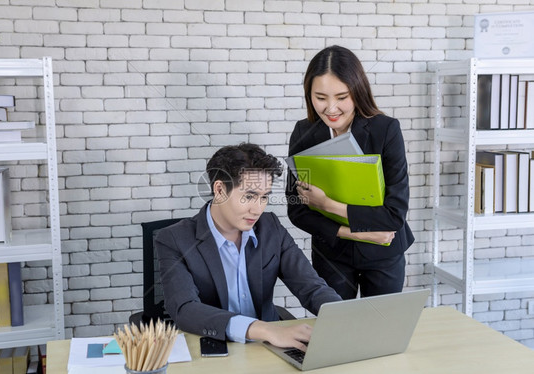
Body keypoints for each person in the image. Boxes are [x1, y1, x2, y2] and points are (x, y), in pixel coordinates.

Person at [156, 143, 341, 351]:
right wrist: (265, 330)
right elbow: (185, 309)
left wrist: (343, 316)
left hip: (269, 347)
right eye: (249, 196)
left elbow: (311, 286)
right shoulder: (174, 239)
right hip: (216, 347)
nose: (258, 209)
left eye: (264, 197)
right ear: (219, 190)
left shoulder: (271, 227)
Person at [286, 45, 414, 300]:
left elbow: (393, 216)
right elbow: (297, 210)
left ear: (358, 92)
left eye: (341, 97)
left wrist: (326, 204)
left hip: (384, 254)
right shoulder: (304, 133)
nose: (331, 108)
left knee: (381, 329)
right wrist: (355, 231)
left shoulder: (386, 130)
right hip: (332, 254)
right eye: (320, 98)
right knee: (334, 330)